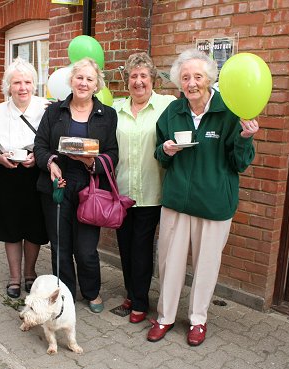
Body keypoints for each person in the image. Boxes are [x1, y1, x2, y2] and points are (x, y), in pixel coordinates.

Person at [147, 49, 259, 346]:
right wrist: (166, 151)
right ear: (178, 82)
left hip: (213, 204)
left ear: (209, 78)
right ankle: (165, 316)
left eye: (198, 76)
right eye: (185, 77)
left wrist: (246, 138)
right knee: (169, 262)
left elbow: (239, 163)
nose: (192, 82)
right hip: (177, 202)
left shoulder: (229, 111)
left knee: (206, 265)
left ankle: (198, 320)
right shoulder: (173, 112)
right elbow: (160, 154)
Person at [34, 57, 118, 313]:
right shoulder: (53, 111)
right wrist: (50, 163)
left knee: (85, 249)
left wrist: (92, 164)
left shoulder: (107, 115)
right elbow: (39, 146)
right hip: (58, 184)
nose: (83, 83)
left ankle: (91, 292)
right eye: (79, 77)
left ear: (97, 85)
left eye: (89, 79)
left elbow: (113, 154)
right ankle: (66, 294)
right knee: (60, 246)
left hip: (89, 186)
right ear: (71, 81)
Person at [114, 52, 176, 324]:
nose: (138, 81)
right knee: (125, 247)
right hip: (122, 190)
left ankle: (140, 301)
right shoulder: (115, 109)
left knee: (141, 248)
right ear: (127, 80)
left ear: (152, 79)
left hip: (152, 191)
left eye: (143, 76)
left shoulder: (167, 105)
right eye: (133, 76)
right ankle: (131, 293)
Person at [0, 57, 49, 299]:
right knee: (10, 228)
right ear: (8, 86)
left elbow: (53, 141)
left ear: (34, 84)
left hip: (35, 172)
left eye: (27, 82)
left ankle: (30, 274)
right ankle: (14, 277)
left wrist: (38, 157)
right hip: (7, 173)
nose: (22, 87)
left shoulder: (46, 108)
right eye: (17, 83)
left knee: (33, 227)